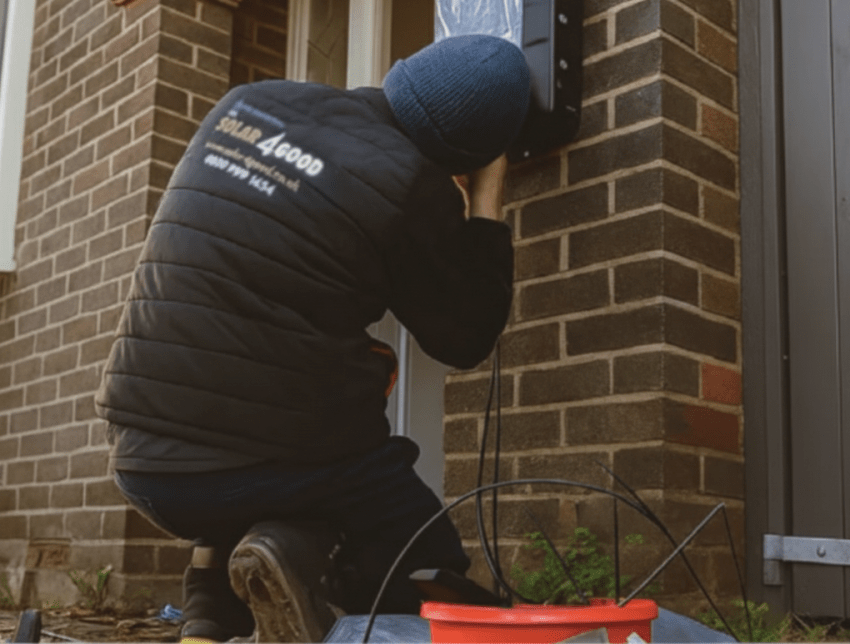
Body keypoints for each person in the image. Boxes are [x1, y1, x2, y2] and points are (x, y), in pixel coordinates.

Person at [94, 35, 531, 642]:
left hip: (138, 454)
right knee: (409, 532)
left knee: (257, 437)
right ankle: (315, 597)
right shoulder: (410, 182)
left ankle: (207, 616)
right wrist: (484, 200)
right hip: (239, 469)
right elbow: (463, 339)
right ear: (466, 153)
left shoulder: (247, 102)